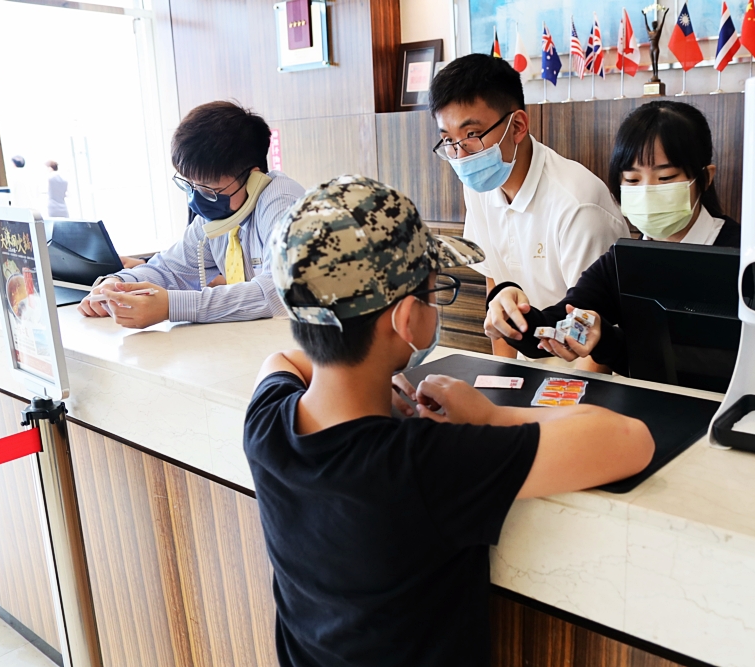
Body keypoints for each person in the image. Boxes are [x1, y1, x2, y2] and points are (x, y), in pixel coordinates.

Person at [244, 175, 654, 667]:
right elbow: (628, 440)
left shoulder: (267, 424)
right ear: (407, 319)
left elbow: (281, 362)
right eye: (435, 290)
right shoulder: (422, 465)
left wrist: (378, 384)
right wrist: (489, 415)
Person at [484, 101, 740, 375]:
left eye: (665, 177)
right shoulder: (623, 261)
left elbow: (721, 367)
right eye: (632, 180)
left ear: (705, 178)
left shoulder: (742, 257)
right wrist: (509, 308)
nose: (646, 192)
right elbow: (555, 325)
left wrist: (606, 340)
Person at [429, 54, 630, 363]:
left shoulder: (577, 205)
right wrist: (504, 377)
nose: (460, 155)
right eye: (448, 140)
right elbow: (496, 289)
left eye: (471, 135)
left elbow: (592, 327)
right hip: (529, 370)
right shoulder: (479, 188)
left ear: (518, 125)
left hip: (585, 376)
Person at [78, 101, 304, 328]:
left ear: (253, 177)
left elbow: (279, 292)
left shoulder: (283, 202)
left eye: (209, 190)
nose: (198, 199)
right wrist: (116, 284)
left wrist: (171, 306)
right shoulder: (220, 217)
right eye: (192, 186)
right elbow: (168, 269)